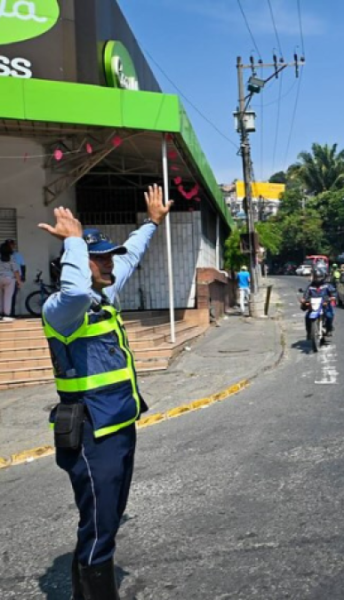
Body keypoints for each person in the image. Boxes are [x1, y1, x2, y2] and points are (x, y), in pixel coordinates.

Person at [39, 184, 172, 600]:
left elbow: (128, 257)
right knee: (99, 526)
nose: (108, 262)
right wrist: (76, 242)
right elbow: (76, 289)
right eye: (99, 257)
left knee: (106, 519)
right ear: (79, 263)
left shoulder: (102, 295)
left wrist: (151, 223)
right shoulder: (61, 309)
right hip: (92, 432)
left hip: (118, 424)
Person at [300, 267, 335, 339]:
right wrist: (304, 300)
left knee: (329, 315)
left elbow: (333, 292)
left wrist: (332, 297)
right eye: (316, 277)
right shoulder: (310, 286)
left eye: (319, 277)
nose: (317, 279)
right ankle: (309, 333)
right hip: (314, 306)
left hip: (324, 305)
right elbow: (306, 295)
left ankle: (329, 329)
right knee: (307, 317)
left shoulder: (326, 285)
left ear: (322, 277)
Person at [0, 240, 21, 321]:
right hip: (9, 279)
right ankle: (6, 315)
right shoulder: (11, 257)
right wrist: (19, 281)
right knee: (8, 297)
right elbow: (16, 270)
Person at [5, 239, 24, 316]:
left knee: (13, 296)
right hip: (6, 278)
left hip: (15, 278)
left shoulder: (18, 255)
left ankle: (11, 313)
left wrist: (22, 277)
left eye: (12, 245)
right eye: (9, 245)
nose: (11, 246)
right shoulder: (2, 255)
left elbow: (22, 266)